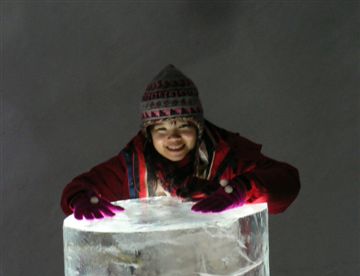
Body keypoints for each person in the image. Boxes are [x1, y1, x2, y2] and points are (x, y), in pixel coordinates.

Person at [61, 65, 300, 220]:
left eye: (183, 126)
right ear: (149, 134)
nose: (173, 138)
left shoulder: (228, 155)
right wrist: (81, 199)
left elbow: (286, 183)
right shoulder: (133, 165)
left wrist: (242, 188)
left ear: (198, 127)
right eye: (161, 129)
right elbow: (78, 189)